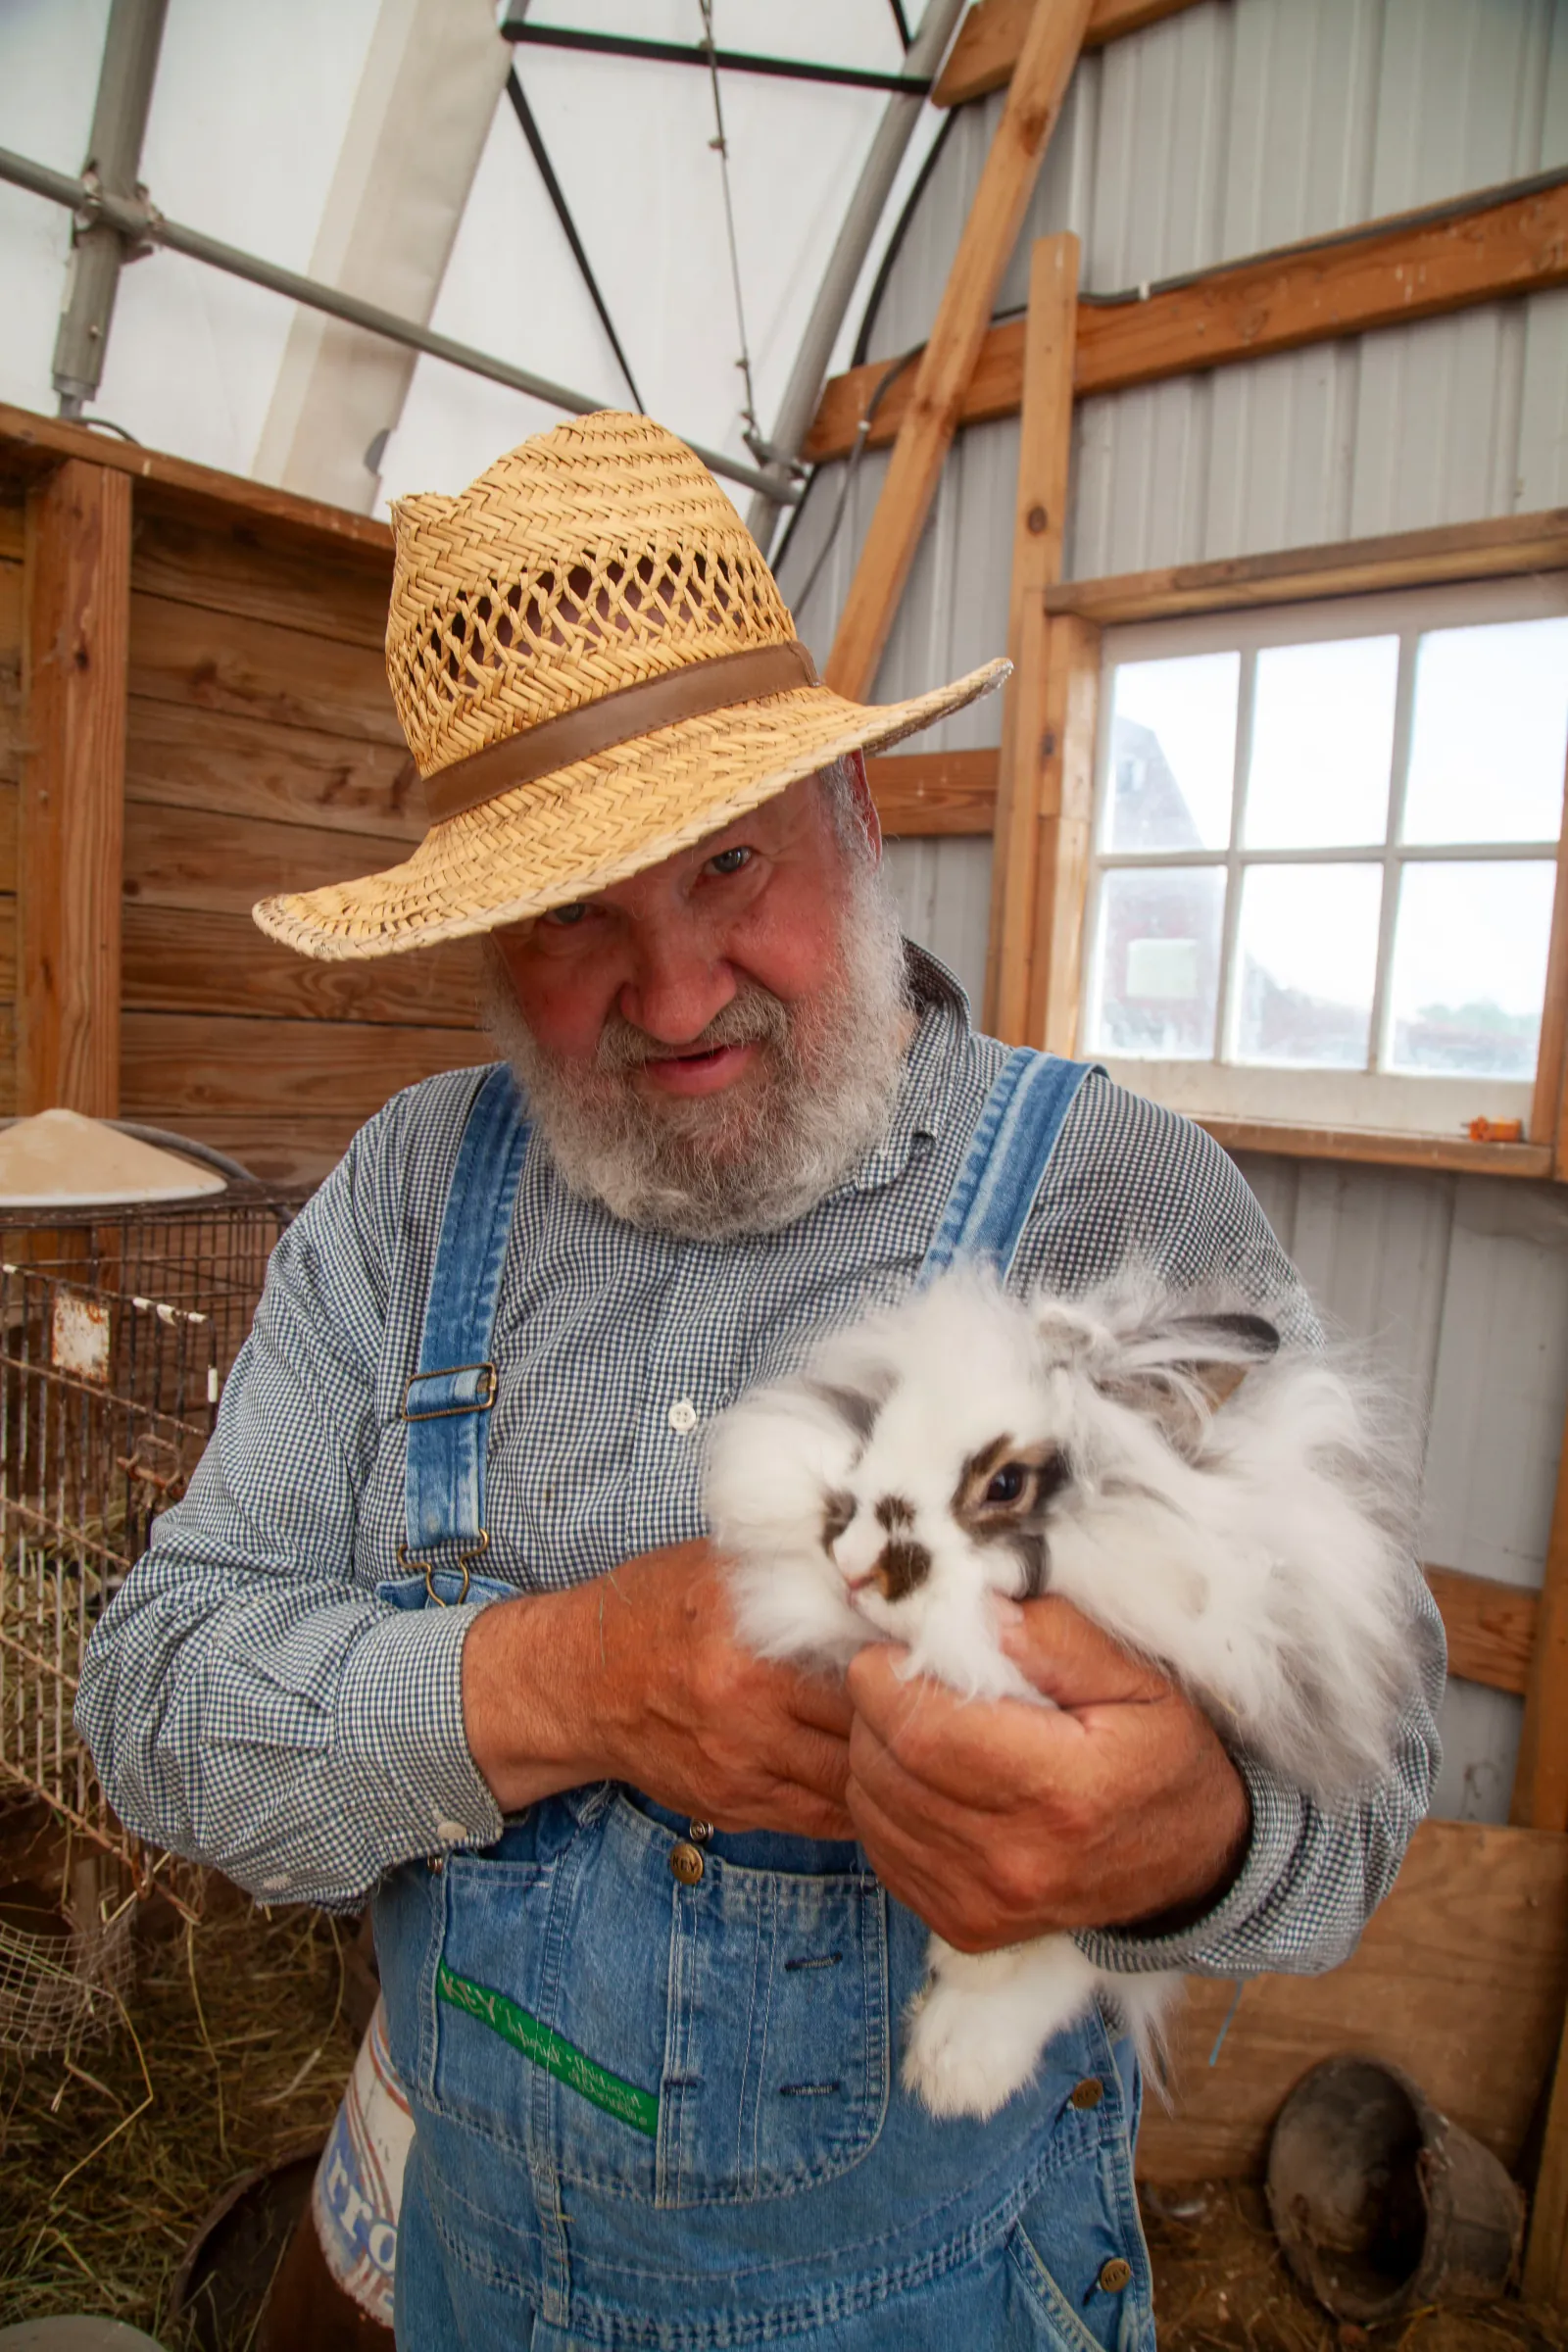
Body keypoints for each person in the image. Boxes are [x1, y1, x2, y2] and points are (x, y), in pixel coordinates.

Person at [78, 412, 1443, 2351]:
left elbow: (1380, 1771)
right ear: (483, 935)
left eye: (729, 862)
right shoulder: (404, 1198)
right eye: (574, 915)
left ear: (855, 808)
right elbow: (154, 1704)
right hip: (485, 2285)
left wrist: (1191, 1839)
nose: (678, 988)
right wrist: (566, 1677)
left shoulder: (1101, 1195)